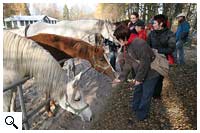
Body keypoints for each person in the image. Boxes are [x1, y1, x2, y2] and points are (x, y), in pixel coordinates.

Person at [113, 24, 160, 121]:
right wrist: (121, 78)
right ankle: (135, 108)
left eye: (119, 39)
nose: (118, 42)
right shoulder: (127, 45)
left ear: (124, 37)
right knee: (138, 91)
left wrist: (139, 79)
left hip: (151, 73)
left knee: (146, 95)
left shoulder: (139, 43)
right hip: (141, 73)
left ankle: (141, 115)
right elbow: (128, 63)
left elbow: (145, 62)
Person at [147, 14, 176, 99]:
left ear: (161, 23)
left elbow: (171, 48)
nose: (153, 24)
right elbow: (147, 45)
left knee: (159, 78)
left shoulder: (170, 34)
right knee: (150, 76)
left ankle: (156, 95)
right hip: (152, 58)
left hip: (163, 59)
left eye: (155, 23)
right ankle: (149, 93)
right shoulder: (151, 33)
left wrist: (158, 50)